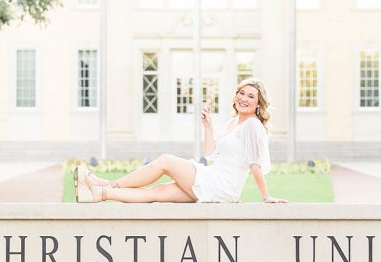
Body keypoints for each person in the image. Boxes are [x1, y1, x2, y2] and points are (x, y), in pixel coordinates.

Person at [75, 78, 288, 203]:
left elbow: (255, 164)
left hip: (222, 184)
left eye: (251, 96)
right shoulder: (234, 124)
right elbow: (210, 154)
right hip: (215, 179)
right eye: (242, 93)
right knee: (157, 193)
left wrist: (266, 196)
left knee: (165, 161)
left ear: (259, 104)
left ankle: (107, 183)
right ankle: (99, 193)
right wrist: (208, 127)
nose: (244, 98)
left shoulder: (252, 125)